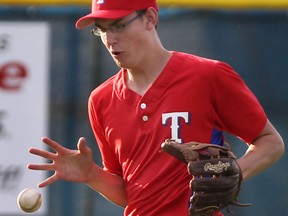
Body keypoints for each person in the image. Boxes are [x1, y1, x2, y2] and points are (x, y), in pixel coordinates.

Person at [28, 0, 285, 215]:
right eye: (101, 29)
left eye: (118, 25)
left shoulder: (207, 76)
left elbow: (270, 141)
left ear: (150, 18)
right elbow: (130, 194)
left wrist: (236, 172)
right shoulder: (101, 99)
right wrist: (90, 174)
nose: (110, 39)